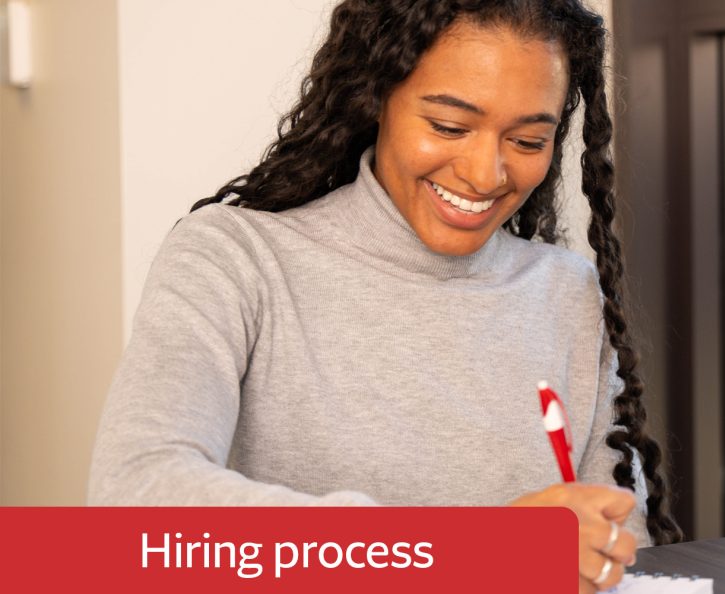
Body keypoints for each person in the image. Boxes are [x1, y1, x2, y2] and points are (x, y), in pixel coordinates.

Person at [88, 1, 683, 591]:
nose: (485, 174)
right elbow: (133, 499)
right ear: (376, 99)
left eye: (528, 141)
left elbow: (613, 550)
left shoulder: (567, 293)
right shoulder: (235, 260)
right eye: (448, 126)